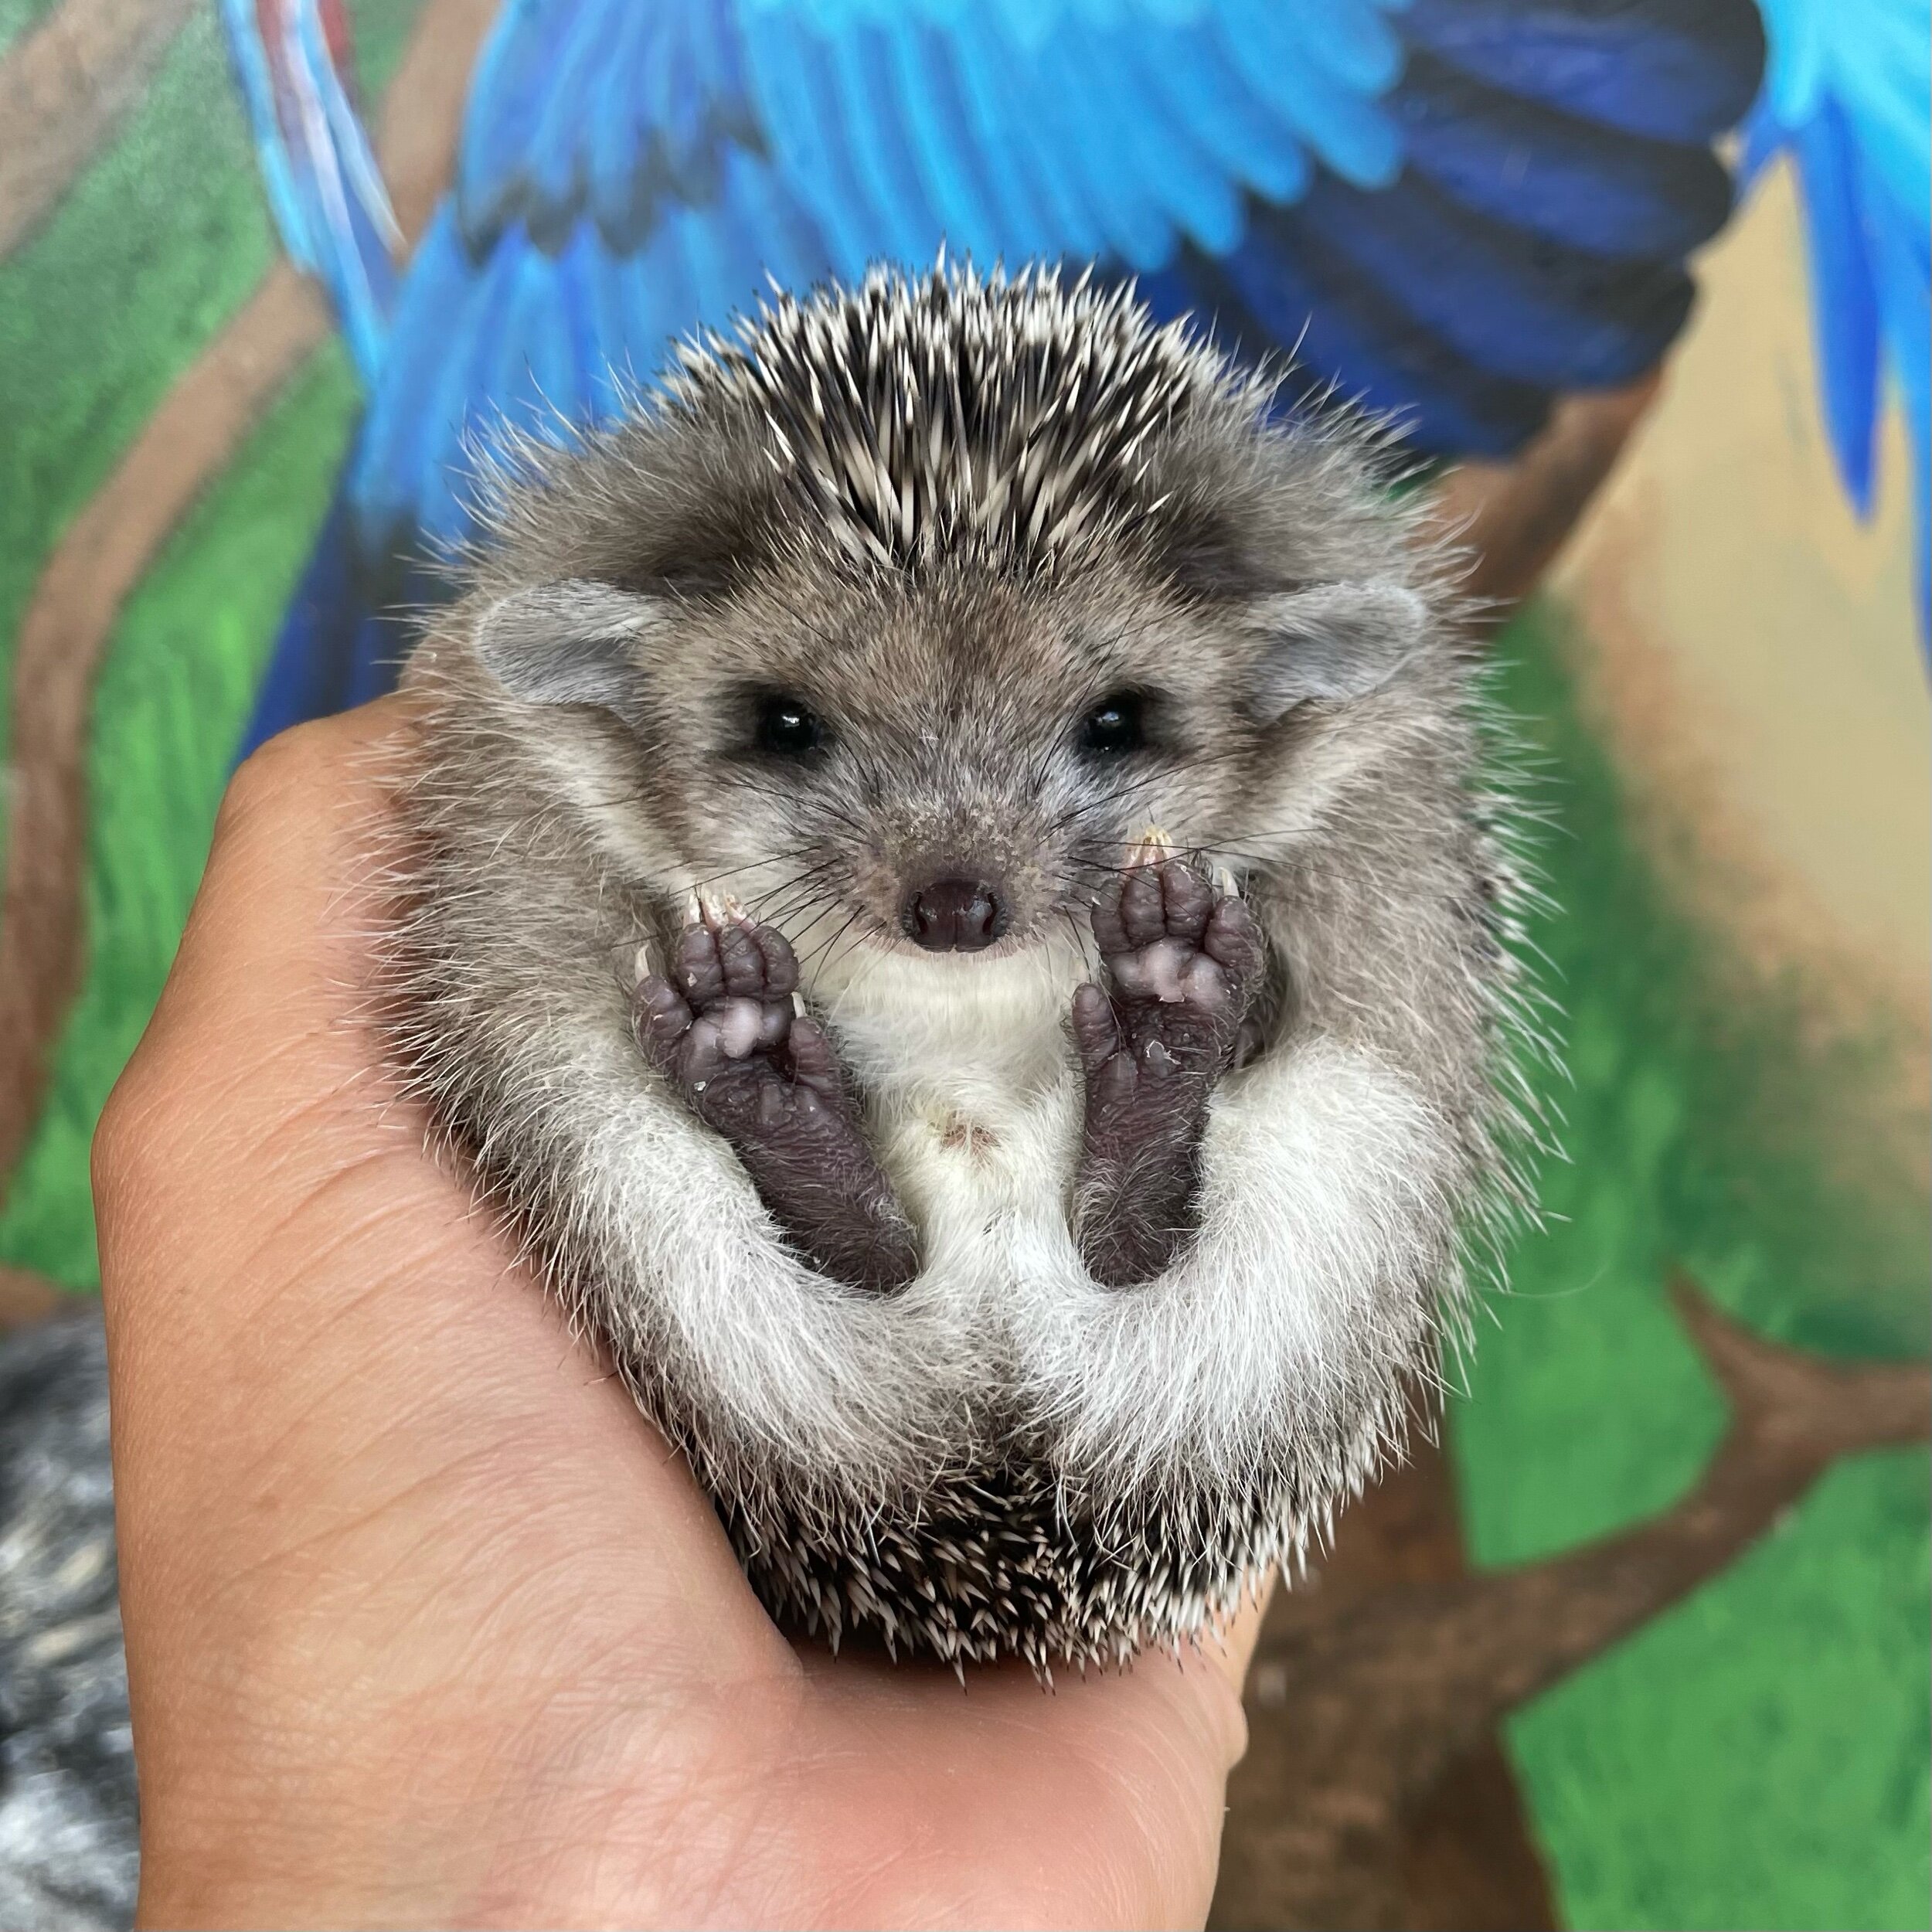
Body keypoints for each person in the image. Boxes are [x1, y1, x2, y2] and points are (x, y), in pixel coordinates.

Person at [93, 699, 1267, 1927]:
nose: (955, 900)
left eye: (1108, 728)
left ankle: (837, 1189)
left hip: (825, 1388)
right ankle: (1103, 1151)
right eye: (799, 728)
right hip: (951, 1376)